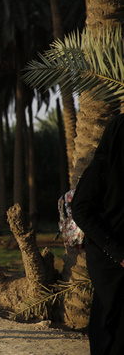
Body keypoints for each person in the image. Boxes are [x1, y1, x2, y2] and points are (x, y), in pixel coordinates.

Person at [72, 114, 124, 355]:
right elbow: (81, 210)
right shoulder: (100, 167)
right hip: (105, 257)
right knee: (107, 312)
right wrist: (116, 252)